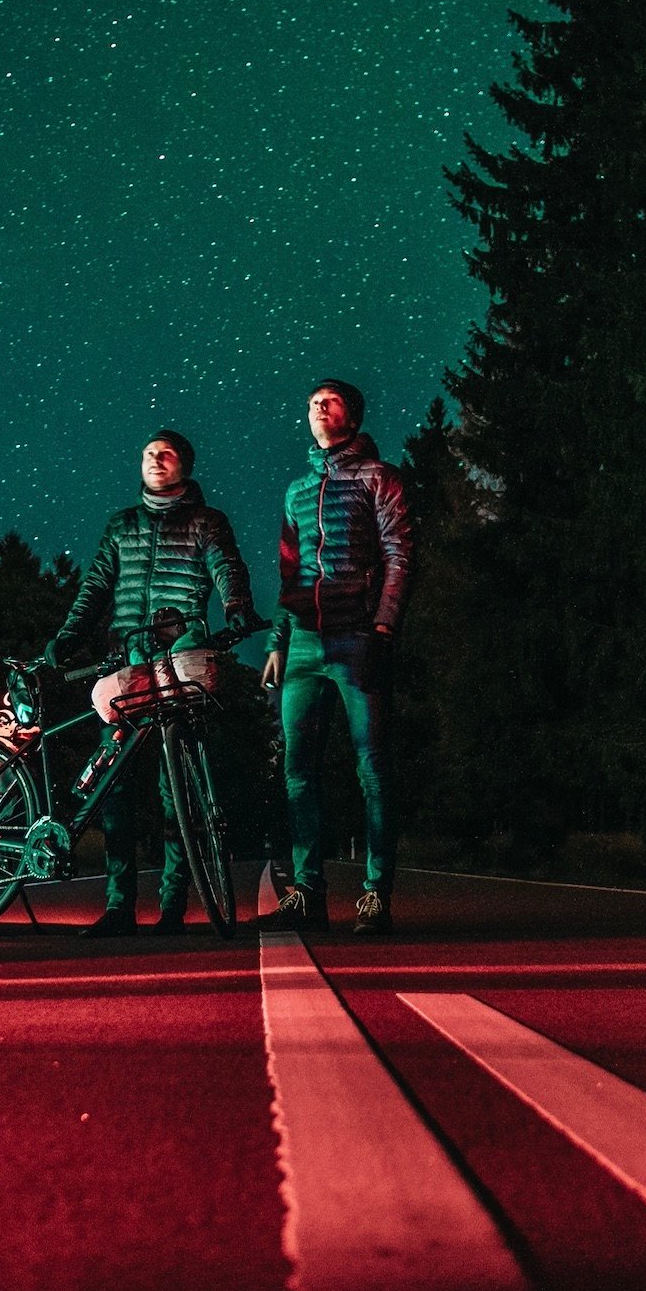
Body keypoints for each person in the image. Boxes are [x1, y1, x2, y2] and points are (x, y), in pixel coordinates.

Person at [45, 429, 262, 936]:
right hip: (127, 660)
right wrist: (68, 635)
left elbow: (227, 567)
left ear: (185, 464)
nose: (155, 460)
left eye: (165, 454)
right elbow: (96, 584)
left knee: (177, 791)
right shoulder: (121, 525)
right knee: (113, 786)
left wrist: (236, 608)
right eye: (148, 453)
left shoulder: (208, 522)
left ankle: (172, 908)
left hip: (178, 656)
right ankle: (118, 906)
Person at [258, 379, 412, 936]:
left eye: (330, 401)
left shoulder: (380, 478)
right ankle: (307, 893)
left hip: (357, 638)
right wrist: (276, 642)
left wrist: (382, 628)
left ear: (353, 414)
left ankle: (375, 895)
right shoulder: (296, 489)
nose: (318, 408)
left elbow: (399, 554)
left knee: (372, 768)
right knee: (298, 771)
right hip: (302, 643)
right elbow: (289, 572)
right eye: (311, 403)